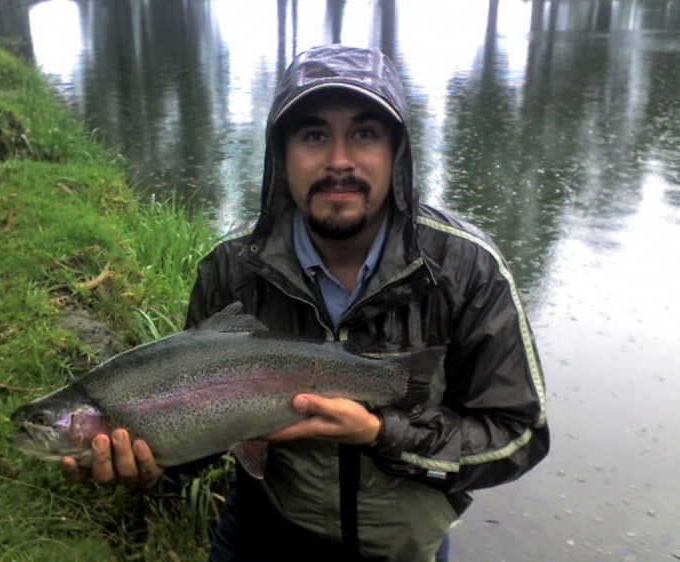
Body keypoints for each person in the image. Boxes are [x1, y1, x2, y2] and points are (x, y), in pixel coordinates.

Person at [61, 44, 549, 561]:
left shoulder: (468, 270)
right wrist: (153, 460)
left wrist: (382, 433)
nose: (339, 161)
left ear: (396, 152)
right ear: (281, 154)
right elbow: (199, 430)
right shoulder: (231, 272)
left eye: (364, 133)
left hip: (403, 549)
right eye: (314, 135)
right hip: (262, 533)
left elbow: (518, 435)